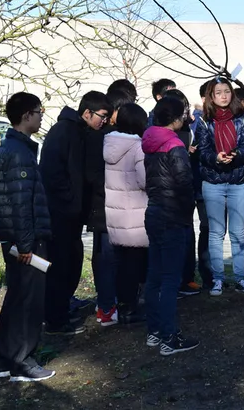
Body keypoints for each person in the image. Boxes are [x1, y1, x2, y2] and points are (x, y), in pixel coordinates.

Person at [0, 92, 55, 382]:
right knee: (28, 302)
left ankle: (6, 360)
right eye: (39, 111)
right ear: (26, 115)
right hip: (26, 242)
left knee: (16, 298)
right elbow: (20, 203)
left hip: (16, 240)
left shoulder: (13, 148)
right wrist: (27, 244)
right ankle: (22, 361)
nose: (42, 117)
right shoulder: (19, 152)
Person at [40, 90, 111, 335]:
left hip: (71, 213)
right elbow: (52, 173)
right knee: (61, 265)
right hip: (60, 213)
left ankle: (61, 309)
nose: (104, 121)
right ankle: (55, 320)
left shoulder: (80, 131)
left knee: (71, 262)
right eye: (102, 116)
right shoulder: (64, 131)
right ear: (87, 112)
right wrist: (70, 201)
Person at [142, 96, 199, 355]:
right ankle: (169, 337)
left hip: (154, 211)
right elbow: (184, 183)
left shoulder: (150, 141)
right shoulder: (175, 145)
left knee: (155, 275)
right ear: (176, 118)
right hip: (172, 215)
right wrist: (187, 211)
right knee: (170, 279)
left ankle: (154, 331)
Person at [86, 84, 136, 327]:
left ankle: (107, 305)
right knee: (109, 259)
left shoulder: (103, 135)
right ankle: (108, 306)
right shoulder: (106, 137)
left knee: (107, 258)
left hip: (106, 208)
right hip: (108, 209)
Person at [197, 78, 244, 295]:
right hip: (213, 181)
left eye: (227, 91)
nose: (223, 96)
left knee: (238, 232)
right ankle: (217, 278)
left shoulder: (243, 117)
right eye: (218, 92)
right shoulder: (204, 120)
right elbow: (203, 150)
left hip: (238, 181)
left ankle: (240, 277)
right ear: (211, 96)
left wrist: (236, 154)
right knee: (216, 232)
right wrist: (216, 158)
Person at [103, 103, 149, 324]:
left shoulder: (109, 143)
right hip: (135, 213)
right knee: (135, 263)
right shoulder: (138, 147)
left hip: (116, 213)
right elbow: (144, 181)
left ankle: (122, 305)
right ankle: (131, 309)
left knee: (121, 262)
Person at [164, 89, 202, 296]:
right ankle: (175, 281)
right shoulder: (160, 134)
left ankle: (187, 278)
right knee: (173, 238)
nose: (186, 113)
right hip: (169, 193)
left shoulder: (188, 129)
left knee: (187, 234)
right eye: (182, 110)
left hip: (187, 189)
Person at [194, 81, 212, 289]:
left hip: (226, 182)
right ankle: (208, 275)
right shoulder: (196, 122)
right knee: (207, 229)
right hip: (200, 184)